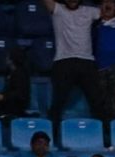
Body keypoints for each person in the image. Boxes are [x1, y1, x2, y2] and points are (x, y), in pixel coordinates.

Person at [41, 0, 107, 140]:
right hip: (63, 61)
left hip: (87, 62)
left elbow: (109, 11)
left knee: (98, 101)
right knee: (58, 102)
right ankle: (52, 138)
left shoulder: (90, 11)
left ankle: (104, 138)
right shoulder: (58, 10)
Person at [0, 48, 32, 120]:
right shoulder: (9, 72)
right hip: (9, 98)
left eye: (7, 57)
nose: (6, 58)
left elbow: (20, 93)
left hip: (19, 102)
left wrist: (3, 96)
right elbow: (8, 90)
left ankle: (9, 115)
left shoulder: (21, 73)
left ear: (12, 59)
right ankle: (4, 114)